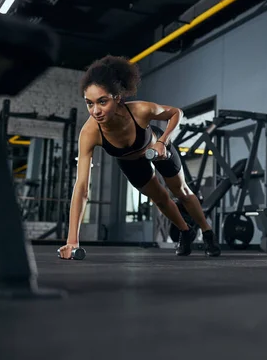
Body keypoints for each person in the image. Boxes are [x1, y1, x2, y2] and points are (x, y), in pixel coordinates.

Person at [58, 55, 221, 258]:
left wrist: (163, 141)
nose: (96, 111)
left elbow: (176, 113)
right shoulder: (89, 133)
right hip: (131, 163)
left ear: (117, 97)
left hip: (158, 150)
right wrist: (72, 240)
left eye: (102, 102)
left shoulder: (140, 110)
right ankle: (185, 232)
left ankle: (207, 233)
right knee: (160, 199)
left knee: (181, 192)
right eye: (89, 104)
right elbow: (81, 186)